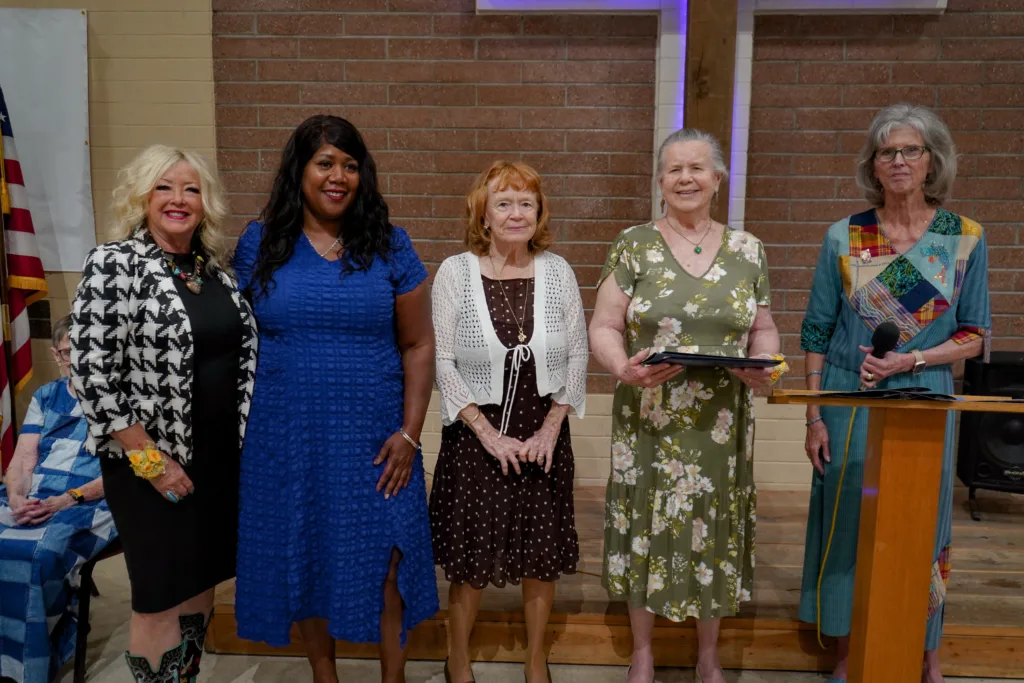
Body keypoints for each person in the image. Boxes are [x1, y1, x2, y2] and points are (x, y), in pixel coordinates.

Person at [232, 115, 438, 683]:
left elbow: (419, 343)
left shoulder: (390, 245)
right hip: (287, 436)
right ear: (299, 170)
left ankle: (393, 679)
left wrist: (410, 433)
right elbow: (231, 333)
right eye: (325, 163)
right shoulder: (260, 243)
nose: (338, 176)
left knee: (390, 562)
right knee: (307, 556)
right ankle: (326, 677)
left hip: (377, 440)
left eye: (350, 165)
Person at [798, 104, 990, 683]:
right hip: (850, 396)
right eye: (887, 152)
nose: (899, 161)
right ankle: (846, 647)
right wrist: (814, 415)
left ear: (933, 161)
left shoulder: (964, 238)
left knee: (922, 525)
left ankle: (924, 650)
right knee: (850, 520)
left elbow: (975, 335)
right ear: (873, 165)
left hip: (925, 395)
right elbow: (816, 331)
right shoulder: (844, 235)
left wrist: (914, 358)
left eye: (911, 150)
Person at [589, 128, 783, 683]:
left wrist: (766, 366)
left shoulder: (749, 249)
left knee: (712, 524)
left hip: (720, 421)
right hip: (649, 413)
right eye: (674, 169)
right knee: (646, 520)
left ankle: (708, 654)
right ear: (659, 181)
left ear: (718, 179)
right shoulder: (633, 244)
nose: (685, 178)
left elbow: (763, 328)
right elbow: (604, 325)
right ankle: (642, 651)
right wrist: (623, 369)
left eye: (697, 168)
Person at [69, 145, 258, 683]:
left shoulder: (216, 274)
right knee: (158, 598)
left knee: (200, 584)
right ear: (142, 197)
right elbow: (92, 375)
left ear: (206, 202)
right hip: (147, 468)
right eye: (164, 187)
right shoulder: (115, 263)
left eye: (191, 189)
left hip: (218, 462)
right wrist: (153, 463)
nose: (179, 199)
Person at [430, 161, 588, 683]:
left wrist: (551, 427)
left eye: (526, 203)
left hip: (544, 432)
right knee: (472, 558)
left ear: (539, 213)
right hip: (476, 435)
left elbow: (578, 353)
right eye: (503, 203)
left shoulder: (558, 271)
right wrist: (487, 433)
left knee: (541, 555)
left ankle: (536, 660)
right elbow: (444, 361)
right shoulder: (456, 272)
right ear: (483, 214)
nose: (516, 213)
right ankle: (457, 659)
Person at [0, 316, 116, 683]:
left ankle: (29, 662)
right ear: (55, 355)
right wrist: (16, 497)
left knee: (40, 555)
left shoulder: (118, 397)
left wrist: (67, 499)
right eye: (67, 352)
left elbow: (123, 473)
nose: (76, 360)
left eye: (85, 351)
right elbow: (23, 458)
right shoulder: (46, 396)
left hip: (91, 498)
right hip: (37, 492)